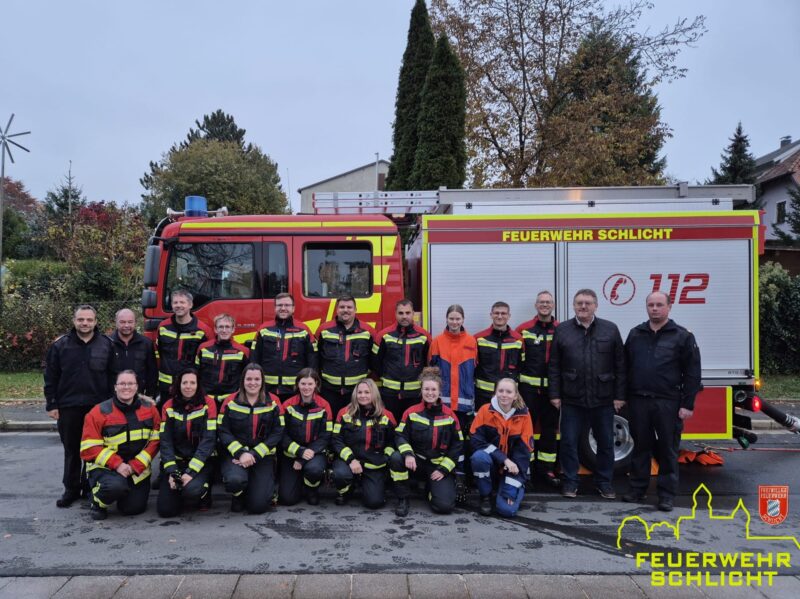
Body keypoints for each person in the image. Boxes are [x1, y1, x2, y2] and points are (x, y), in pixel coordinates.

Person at [623, 291, 702, 512]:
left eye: (659, 305)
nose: (655, 308)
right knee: (640, 448)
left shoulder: (682, 336)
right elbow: (625, 368)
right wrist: (622, 397)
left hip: (668, 402)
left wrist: (688, 404)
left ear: (669, 307)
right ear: (646, 307)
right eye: (651, 305)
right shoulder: (636, 334)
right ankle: (637, 490)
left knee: (668, 449)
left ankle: (666, 495)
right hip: (638, 400)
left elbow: (693, 373)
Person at [549, 288, 626, 500]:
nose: (583, 306)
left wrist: (619, 396)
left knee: (605, 443)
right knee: (569, 442)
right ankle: (571, 482)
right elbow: (554, 365)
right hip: (571, 398)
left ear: (596, 306)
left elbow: (620, 365)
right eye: (579, 303)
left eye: (588, 303)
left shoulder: (610, 330)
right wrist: (554, 394)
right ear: (573, 306)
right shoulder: (563, 330)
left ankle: (604, 482)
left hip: (603, 398)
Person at [45, 304, 116, 508]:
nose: (85, 323)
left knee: (96, 450)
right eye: (81, 319)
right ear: (74, 321)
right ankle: (71, 489)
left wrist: (112, 405)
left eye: (89, 320)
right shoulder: (60, 346)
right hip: (69, 407)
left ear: (95, 321)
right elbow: (51, 376)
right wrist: (52, 404)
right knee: (72, 450)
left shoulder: (107, 345)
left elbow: (113, 377)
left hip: (98, 408)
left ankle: (90, 486)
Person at [80, 370, 161, 520]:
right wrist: (117, 464)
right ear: (115, 387)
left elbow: (155, 441)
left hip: (137, 470)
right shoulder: (98, 412)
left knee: (133, 509)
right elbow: (88, 448)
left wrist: (136, 465)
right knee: (115, 487)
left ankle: (121, 492)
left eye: (130, 383)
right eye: (122, 384)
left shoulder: (150, 410)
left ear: (137, 387)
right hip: (107, 468)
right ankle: (97, 501)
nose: (126, 387)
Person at [393, 367, 464, 516]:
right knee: (396, 458)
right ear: (421, 390)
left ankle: (430, 490)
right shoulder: (411, 412)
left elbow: (458, 445)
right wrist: (408, 454)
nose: (430, 393)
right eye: (426, 389)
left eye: (433, 389)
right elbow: (400, 435)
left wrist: (444, 469)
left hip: (437, 466)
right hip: (416, 463)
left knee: (444, 507)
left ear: (439, 392)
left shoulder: (450, 416)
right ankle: (403, 498)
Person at [217, 363, 285, 514]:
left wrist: (253, 454)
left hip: (262, 456)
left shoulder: (273, 402)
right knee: (235, 481)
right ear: (243, 381)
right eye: (249, 379)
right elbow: (223, 430)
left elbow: (277, 432)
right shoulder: (230, 401)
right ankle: (238, 494)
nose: (253, 383)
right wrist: (241, 453)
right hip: (236, 455)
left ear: (262, 381)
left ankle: (261, 489)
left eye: (257, 379)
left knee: (258, 506)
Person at [429, 304, 476, 501]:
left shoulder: (472, 341)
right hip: (444, 405)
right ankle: (445, 477)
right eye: (451, 318)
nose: (454, 322)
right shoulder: (437, 342)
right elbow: (431, 372)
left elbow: (475, 371)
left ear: (463, 320)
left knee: (462, 444)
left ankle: (461, 480)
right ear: (446, 319)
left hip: (464, 405)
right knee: (445, 442)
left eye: (458, 319)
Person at [157, 368, 218, 517]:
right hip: (177, 462)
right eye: (185, 382)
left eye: (192, 382)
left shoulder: (208, 404)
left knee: (191, 491)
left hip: (200, 462)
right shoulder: (168, 405)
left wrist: (190, 472)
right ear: (179, 385)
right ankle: (180, 493)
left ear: (198, 385)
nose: (188, 386)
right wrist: (172, 472)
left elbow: (208, 440)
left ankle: (204, 492)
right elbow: (165, 441)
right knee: (166, 511)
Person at [331, 379, 400, 509]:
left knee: (374, 503)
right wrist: (351, 460)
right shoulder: (344, 413)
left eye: (367, 392)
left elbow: (393, 440)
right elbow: (336, 440)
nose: (363, 396)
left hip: (373, 464)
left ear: (374, 394)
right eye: (360, 392)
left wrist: (385, 456)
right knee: (340, 475)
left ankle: (372, 485)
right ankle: (346, 490)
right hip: (349, 462)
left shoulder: (386, 416)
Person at [515, 291, 560, 489]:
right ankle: (527, 468)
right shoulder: (523, 330)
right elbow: (515, 361)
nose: (545, 305)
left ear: (553, 305)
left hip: (552, 392)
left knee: (550, 431)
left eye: (548, 302)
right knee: (526, 430)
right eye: (541, 302)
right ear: (536, 305)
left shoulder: (562, 329)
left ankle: (547, 470)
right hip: (528, 391)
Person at [470, 378, 534, 518]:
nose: (504, 395)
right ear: (495, 392)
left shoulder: (524, 415)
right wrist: (503, 459)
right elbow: (476, 441)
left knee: (507, 510)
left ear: (515, 395)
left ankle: (513, 488)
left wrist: (512, 487)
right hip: (493, 464)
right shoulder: (485, 411)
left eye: (509, 391)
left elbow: (524, 453)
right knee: (479, 458)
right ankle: (485, 496)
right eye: (501, 391)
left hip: (513, 469)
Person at [278, 368, 332, 506]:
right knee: (287, 499)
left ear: (316, 385)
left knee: (314, 470)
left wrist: (303, 458)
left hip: (315, 452)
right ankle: (298, 483)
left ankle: (311, 489)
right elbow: (281, 434)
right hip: (291, 452)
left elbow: (326, 436)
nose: (306, 387)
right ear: (297, 385)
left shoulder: (324, 405)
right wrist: (299, 451)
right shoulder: (288, 405)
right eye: (303, 384)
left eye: (310, 384)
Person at [250, 293, 318, 402]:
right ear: (274, 308)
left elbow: (312, 361)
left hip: (295, 390)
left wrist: (310, 386)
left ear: (293, 308)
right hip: (267, 389)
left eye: (287, 305)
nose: (283, 308)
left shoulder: (304, 330)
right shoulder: (264, 329)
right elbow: (254, 359)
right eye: (279, 305)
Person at [317, 295, 377, 417]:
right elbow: (316, 358)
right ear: (336, 310)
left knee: (355, 425)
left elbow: (375, 360)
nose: (345, 310)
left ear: (355, 309)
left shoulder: (367, 331)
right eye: (342, 307)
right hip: (329, 390)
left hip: (357, 391)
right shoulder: (324, 330)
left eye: (349, 307)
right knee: (330, 423)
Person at [372, 299, 431, 421]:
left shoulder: (424, 336)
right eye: (401, 313)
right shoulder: (384, 335)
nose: (404, 316)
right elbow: (375, 362)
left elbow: (429, 363)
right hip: (390, 393)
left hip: (415, 394)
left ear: (413, 313)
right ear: (395, 313)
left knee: (413, 426)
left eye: (408, 313)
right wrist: (385, 376)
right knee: (390, 425)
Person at [155, 289, 213, 406]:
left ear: (190, 305)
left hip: (189, 388)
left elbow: (207, 363)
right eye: (175, 303)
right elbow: (157, 354)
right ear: (171, 305)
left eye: (182, 302)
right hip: (166, 387)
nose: (178, 306)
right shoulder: (163, 327)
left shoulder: (203, 330)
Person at [474, 301, 523, 409]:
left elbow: (522, 367)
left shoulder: (518, 339)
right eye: (496, 313)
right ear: (491, 315)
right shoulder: (479, 338)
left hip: (508, 396)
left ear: (509, 316)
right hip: (483, 394)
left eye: (503, 313)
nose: (500, 316)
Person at [196, 313, 250, 405]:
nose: (224, 330)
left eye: (227, 327)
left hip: (231, 400)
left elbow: (246, 377)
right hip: (205, 398)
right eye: (221, 327)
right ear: (215, 329)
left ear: (233, 329)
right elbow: (195, 372)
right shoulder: (203, 348)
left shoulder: (243, 351)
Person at [109, 308, 157, 400]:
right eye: (122, 322)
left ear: (135, 322)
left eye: (130, 322)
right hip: (113, 398)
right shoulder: (107, 343)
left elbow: (152, 373)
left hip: (139, 396)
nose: (126, 325)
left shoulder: (146, 343)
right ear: (116, 323)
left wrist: (150, 395)